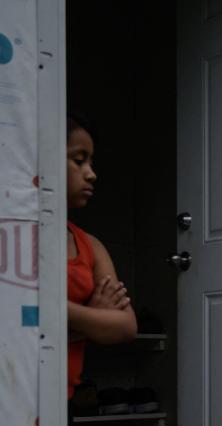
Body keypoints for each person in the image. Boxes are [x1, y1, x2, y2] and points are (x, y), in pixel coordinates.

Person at [66, 114, 137, 403]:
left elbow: (126, 326)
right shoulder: (13, 237)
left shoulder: (90, 245)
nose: (91, 174)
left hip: (62, 397)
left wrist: (59, 312)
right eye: (78, 160)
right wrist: (93, 317)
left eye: (91, 162)